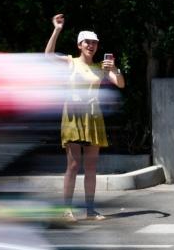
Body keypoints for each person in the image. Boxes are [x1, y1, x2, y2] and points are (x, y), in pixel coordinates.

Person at [45, 15, 125, 221]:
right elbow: (48, 56)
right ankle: (67, 210)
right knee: (72, 165)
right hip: (73, 117)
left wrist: (115, 68)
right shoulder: (70, 62)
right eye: (87, 42)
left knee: (91, 167)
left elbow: (121, 84)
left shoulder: (101, 68)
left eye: (95, 42)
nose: (91, 45)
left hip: (93, 118)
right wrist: (57, 30)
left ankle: (90, 210)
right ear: (79, 45)